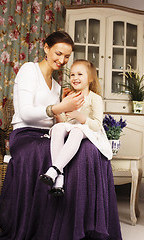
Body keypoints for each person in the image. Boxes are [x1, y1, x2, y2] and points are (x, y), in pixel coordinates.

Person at [0, 31, 122, 240]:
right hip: (26, 136)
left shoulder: (57, 86)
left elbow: (60, 121)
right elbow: (27, 113)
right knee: (65, 151)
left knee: (89, 149)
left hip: (48, 134)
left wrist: (68, 117)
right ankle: (53, 224)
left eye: (67, 56)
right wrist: (59, 106)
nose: (62, 60)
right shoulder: (29, 70)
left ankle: (82, 224)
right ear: (46, 48)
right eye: (58, 53)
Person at [40, 59, 113, 197]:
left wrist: (79, 116)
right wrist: (61, 106)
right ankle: (58, 177)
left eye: (80, 74)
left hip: (88, 129)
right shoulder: (71, 97)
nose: (75, 78)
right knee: (57, 129)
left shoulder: (94, 98)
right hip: (72, 125)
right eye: (72, 75)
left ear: (90, 78)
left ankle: (54, 169)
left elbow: (97, 125)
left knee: (76, 130)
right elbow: (65, 121)